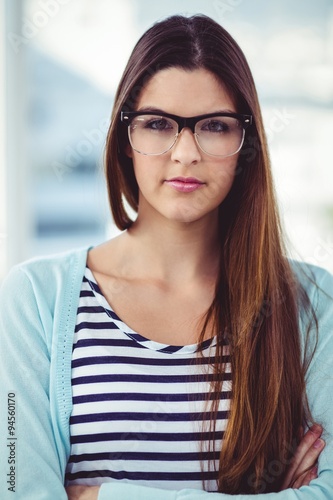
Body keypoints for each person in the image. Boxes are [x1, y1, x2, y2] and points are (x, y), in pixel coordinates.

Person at [0, 13, 332, 500]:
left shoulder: (314, 303)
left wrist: (100, 497)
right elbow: (18, 490)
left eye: (214, 126)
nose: (185, 153)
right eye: (158, 124)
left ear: (246, 145)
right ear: (124, 139)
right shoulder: (32, 300)